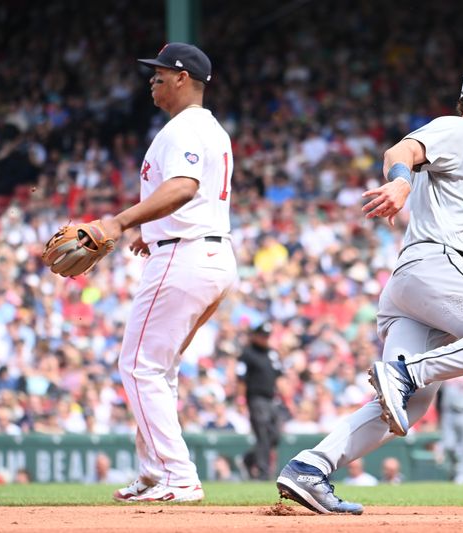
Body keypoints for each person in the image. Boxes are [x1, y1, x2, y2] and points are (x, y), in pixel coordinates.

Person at [276, 57, 463, 514]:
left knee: (408, 405)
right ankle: (407, 372)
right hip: (433, 267)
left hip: (420, 284)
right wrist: (398, 183)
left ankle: (310, 468)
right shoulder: (457, 130)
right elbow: (399, 153)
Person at [105, 42, 237, 502]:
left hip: (184, 256)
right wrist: (154, 228)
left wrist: (122, 221)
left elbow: (184, 187)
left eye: (160, 73)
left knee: (139, 366)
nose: (152, 80)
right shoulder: (209, 129)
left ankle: (176, 475)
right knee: (158, 369)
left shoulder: (183, 129)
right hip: (205, 253)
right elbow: (193, 195)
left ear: (183, 79)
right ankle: (154, 471)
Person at [238, 322, 282, 480]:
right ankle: (263, 472)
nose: (265, 339)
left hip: (272, 399)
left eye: (267, 336)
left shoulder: (272, 353)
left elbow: (279, 376)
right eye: (262, 335)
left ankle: (249, 459)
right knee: (262, 434)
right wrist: (241, 400)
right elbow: (241, 379)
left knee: (275, 435)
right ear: (255, 336)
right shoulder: (247, 353)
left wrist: (286, 399)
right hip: (256, 398)